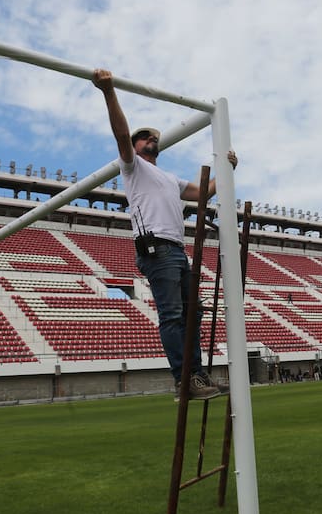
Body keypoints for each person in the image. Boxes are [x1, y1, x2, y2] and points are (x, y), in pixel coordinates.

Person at [92, 68, 235, 401]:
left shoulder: (169, 178)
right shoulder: (132, 167)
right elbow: (121, 134)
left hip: (176, 250)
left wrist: (227, 168)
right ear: (134, 145)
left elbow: (204, 192)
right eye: (143, 137)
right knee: (172, 314)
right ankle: (183, 380)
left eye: (152, 137)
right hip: (157, 248)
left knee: (192, 314)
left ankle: (196, 375)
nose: (149, 140)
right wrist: (109, 92)